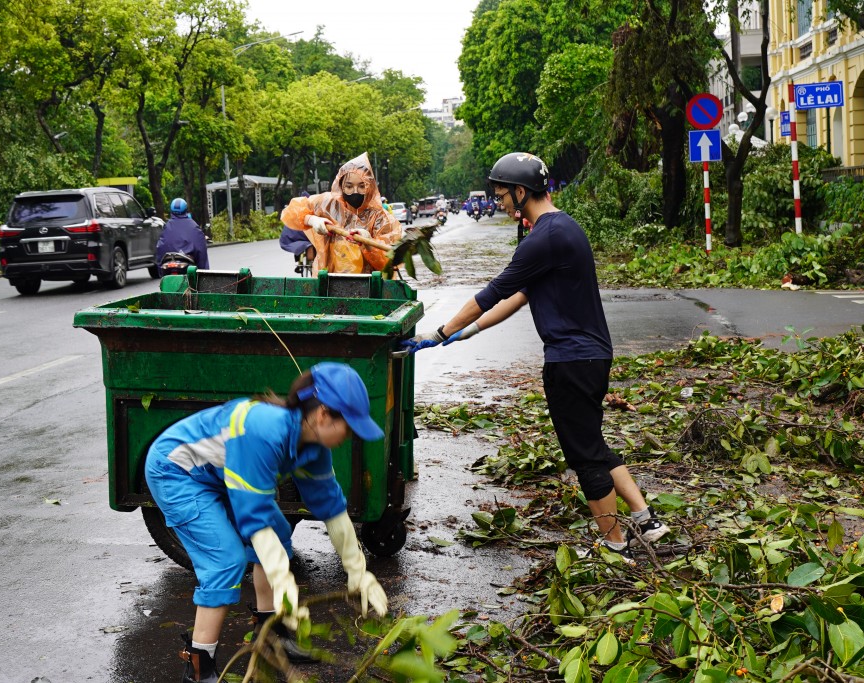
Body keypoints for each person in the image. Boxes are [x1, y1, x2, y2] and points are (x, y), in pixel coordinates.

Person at [401, 152, 670, 562]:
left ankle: (615, 545)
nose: (500, 202)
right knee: (592, 442)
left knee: (585, 457)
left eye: (503, 195)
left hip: (570, 362)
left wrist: (440, 331)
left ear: (521, 192)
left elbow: (494, 291)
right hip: (591, 356)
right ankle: (647, 520)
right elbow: (520, 296)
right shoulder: (562, 229)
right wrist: (466, 333)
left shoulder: (543, 238)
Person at [145, 362, 389, 682]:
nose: (351, 436)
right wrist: (284, 583)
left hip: (219, 477)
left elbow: (331, 508)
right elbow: (254, 518)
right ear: (323, 415)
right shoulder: (263, 431)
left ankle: (270, 634)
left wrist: (359, 572)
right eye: (350, 425)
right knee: (225, 561)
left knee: (279, 534)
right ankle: (198, 668)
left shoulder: (312, 445)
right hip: (177, 473)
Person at [280, 153, 401, 274]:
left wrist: (369, 244)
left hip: (368, 284)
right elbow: (291, 212)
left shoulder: (381, 217)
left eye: (361, 186)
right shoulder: (327, 204)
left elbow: (389, 264)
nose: (355, 191)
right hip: (329, 279)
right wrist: (311, 220)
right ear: (341, 186)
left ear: (370, 187)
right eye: (349, 186)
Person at [155, 198, 209, 275]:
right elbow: (199, 248)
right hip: (187, 260)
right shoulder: (193, 225)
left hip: (168, 261)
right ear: (186, 210)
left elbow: (161, 246)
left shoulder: (167, 225)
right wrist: (202, 270)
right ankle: (203, 277)